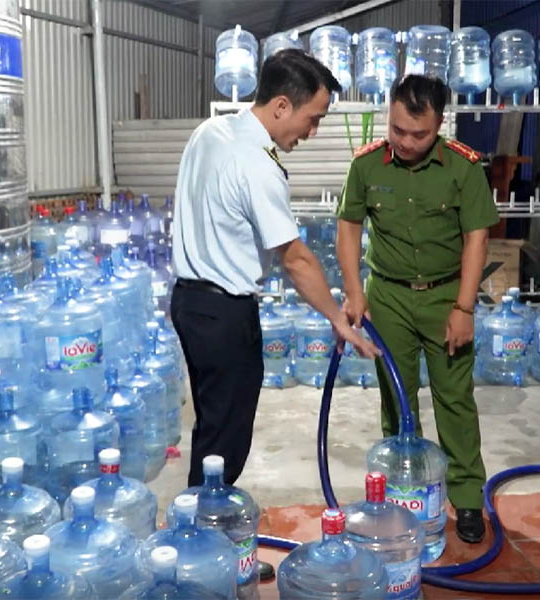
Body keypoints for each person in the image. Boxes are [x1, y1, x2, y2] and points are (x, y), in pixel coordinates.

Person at [171, 49, 379, 490]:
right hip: (225, 313)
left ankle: (202, 517)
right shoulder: (257, 163)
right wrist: (338, 319)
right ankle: (207, 527)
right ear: (282, 105)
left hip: (189, 304)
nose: (312, 132)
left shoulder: (210, 132)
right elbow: (295, 258)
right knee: (226, 442)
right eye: (312, 119)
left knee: (212, 426)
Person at [336, 74, 498, 544]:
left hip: (446, 297)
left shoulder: (463, 168)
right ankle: (403, 494)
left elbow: (477, 238)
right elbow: (349, 228)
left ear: (439, 124)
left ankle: (466, 498)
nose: (405, 142)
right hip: (387, 297)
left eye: (418, 134)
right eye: (397, 130)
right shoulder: (366, 165)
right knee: (397, 399)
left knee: (454, 399)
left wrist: (464, 307)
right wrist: (354, 291)